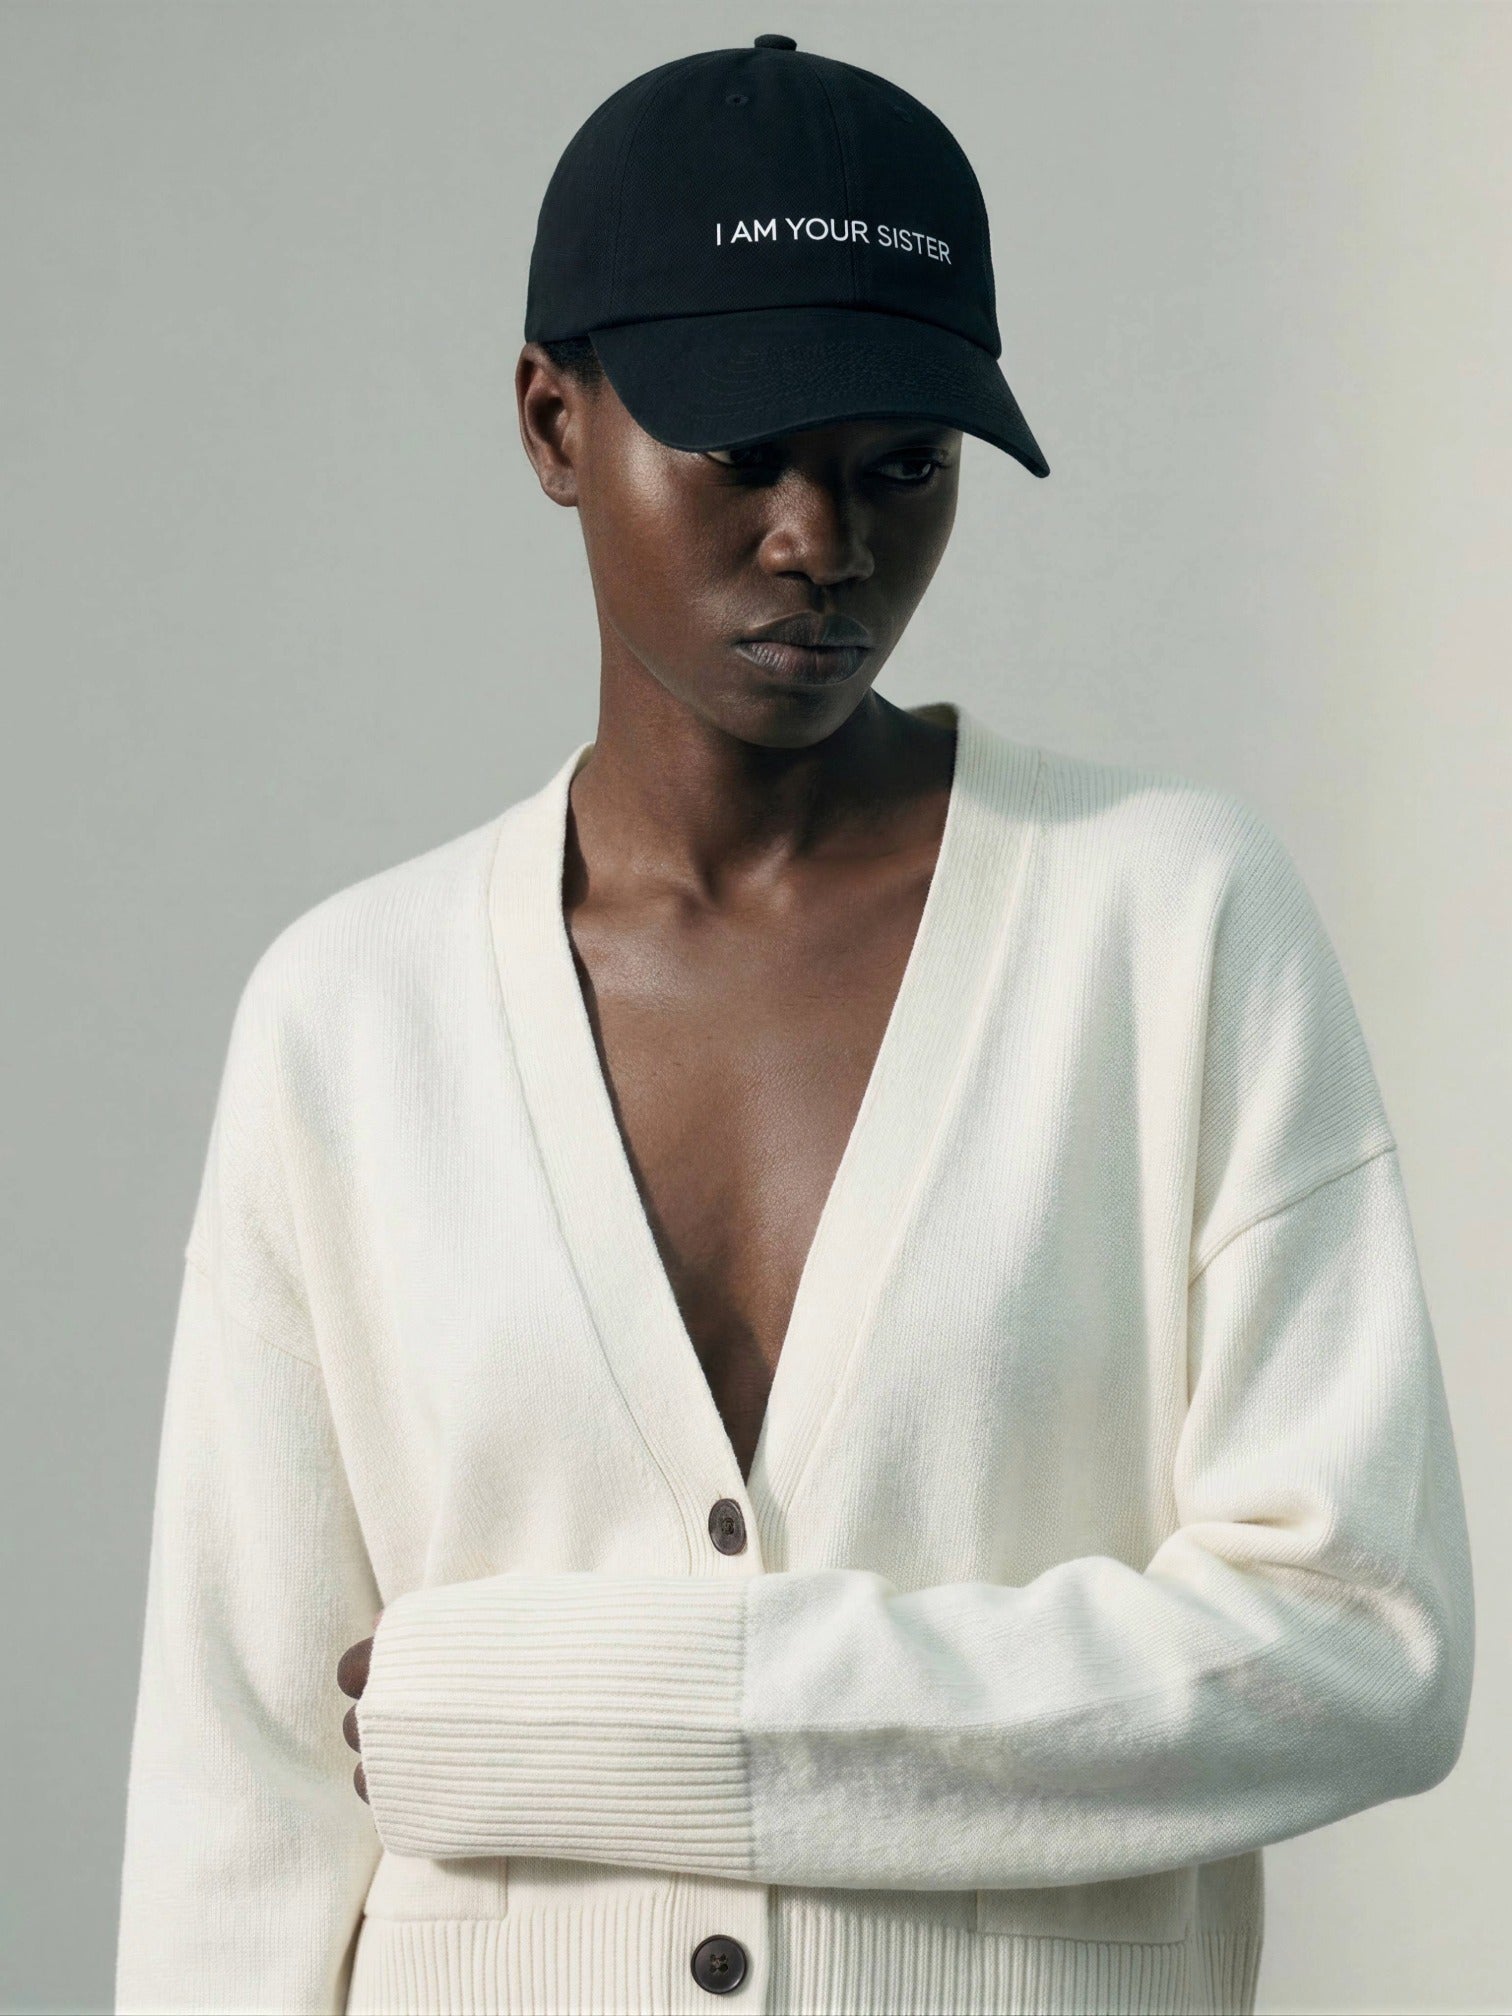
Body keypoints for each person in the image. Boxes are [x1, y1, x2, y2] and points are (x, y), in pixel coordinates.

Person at [115, 33, 1474, 2016]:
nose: (821, 541)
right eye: (740, 452)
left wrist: (592, 1708)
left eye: (895, 463)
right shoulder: (353, 1016)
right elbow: (239, 1811)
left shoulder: (1173, 926)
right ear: (552, 421)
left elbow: (1364, 1642)